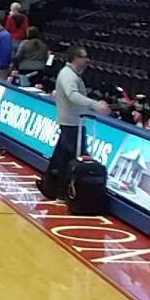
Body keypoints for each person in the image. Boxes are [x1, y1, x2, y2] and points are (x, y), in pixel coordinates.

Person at [47, 45, 112, 193]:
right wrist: (94, 104)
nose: (87, 60)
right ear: (76, 58)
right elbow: (72, 95)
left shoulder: (70, 74)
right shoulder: (68, 75)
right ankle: (73, 190)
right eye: (84, 57)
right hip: (71, 122)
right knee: (77, 157)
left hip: (73, 120)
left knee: (61, 157)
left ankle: (51, 186)